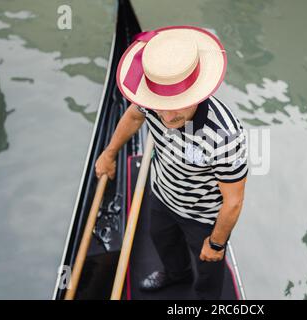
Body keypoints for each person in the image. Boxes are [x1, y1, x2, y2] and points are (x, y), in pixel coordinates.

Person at [95, 26, 248, 299]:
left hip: (202, 216)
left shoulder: (225, 136)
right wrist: (109, 153)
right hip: (162, 194)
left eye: (176, 102)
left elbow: (233, 201)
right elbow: (132, 117)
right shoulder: (151, 101)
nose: (165, 115)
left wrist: (216, 243)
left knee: (209, 270)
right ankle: (177, 274)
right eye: (159, 102)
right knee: (162, 241)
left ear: (197, 94)